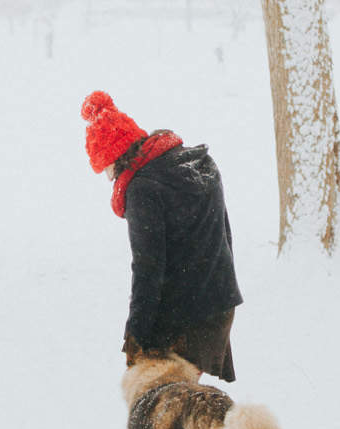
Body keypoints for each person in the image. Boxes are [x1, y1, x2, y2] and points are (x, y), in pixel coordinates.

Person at [81, 90, 242, 383]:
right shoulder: (195, 164)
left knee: (172, 412)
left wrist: (136, 334)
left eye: (104, 167)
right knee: (186, 408)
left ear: (115, 157)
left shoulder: (142, 189)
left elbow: (147, 267)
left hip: (186, 317)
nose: (107, 177)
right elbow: (222, 234)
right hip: (218, 301)